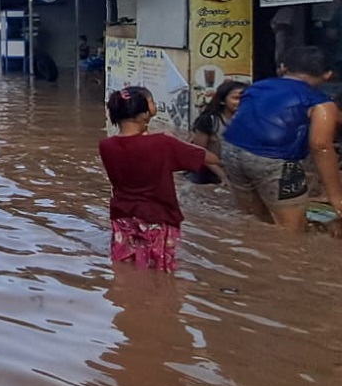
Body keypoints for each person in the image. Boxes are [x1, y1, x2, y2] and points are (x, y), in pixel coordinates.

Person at [221, 46, 342, 231]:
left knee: (252, 218)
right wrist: (337, 199)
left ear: (284, 67)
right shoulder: (320, 102)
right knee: (291, 229)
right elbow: (321, 146)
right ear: (327, 75)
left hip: (230, 150)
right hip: (273, 160)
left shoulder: (257, 87)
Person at [99, 86, 218, 273]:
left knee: (125, 264)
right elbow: (205, 157)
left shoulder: (106, 145)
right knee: (159, 269)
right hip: (157, 215)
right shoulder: (162, 143)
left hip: (122, 214)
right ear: (143, 115)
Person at [185, 80, 247, 184]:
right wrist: (223, 176)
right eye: (236, 98)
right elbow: (200, 152)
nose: (241, 102)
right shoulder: (208, 120)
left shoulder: (250, 121)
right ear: (222, 100)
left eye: (245, 98)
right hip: (207, 171)